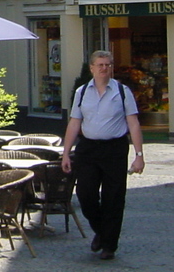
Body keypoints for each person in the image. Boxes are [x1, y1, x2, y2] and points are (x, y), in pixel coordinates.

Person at [61, 50, 145, 261]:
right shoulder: (81, 92)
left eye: (107, 65)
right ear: (91, 68)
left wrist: (139, 154)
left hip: (114, 149)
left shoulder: (122, 91)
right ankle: (101, 231)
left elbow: (133, 123)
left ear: (111, 68)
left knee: (114, 198)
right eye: (99, 65)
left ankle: (109, 245)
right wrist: (65, 153)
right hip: (88, 148)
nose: (104, 68)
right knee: (85, 194)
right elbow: (74, 123)